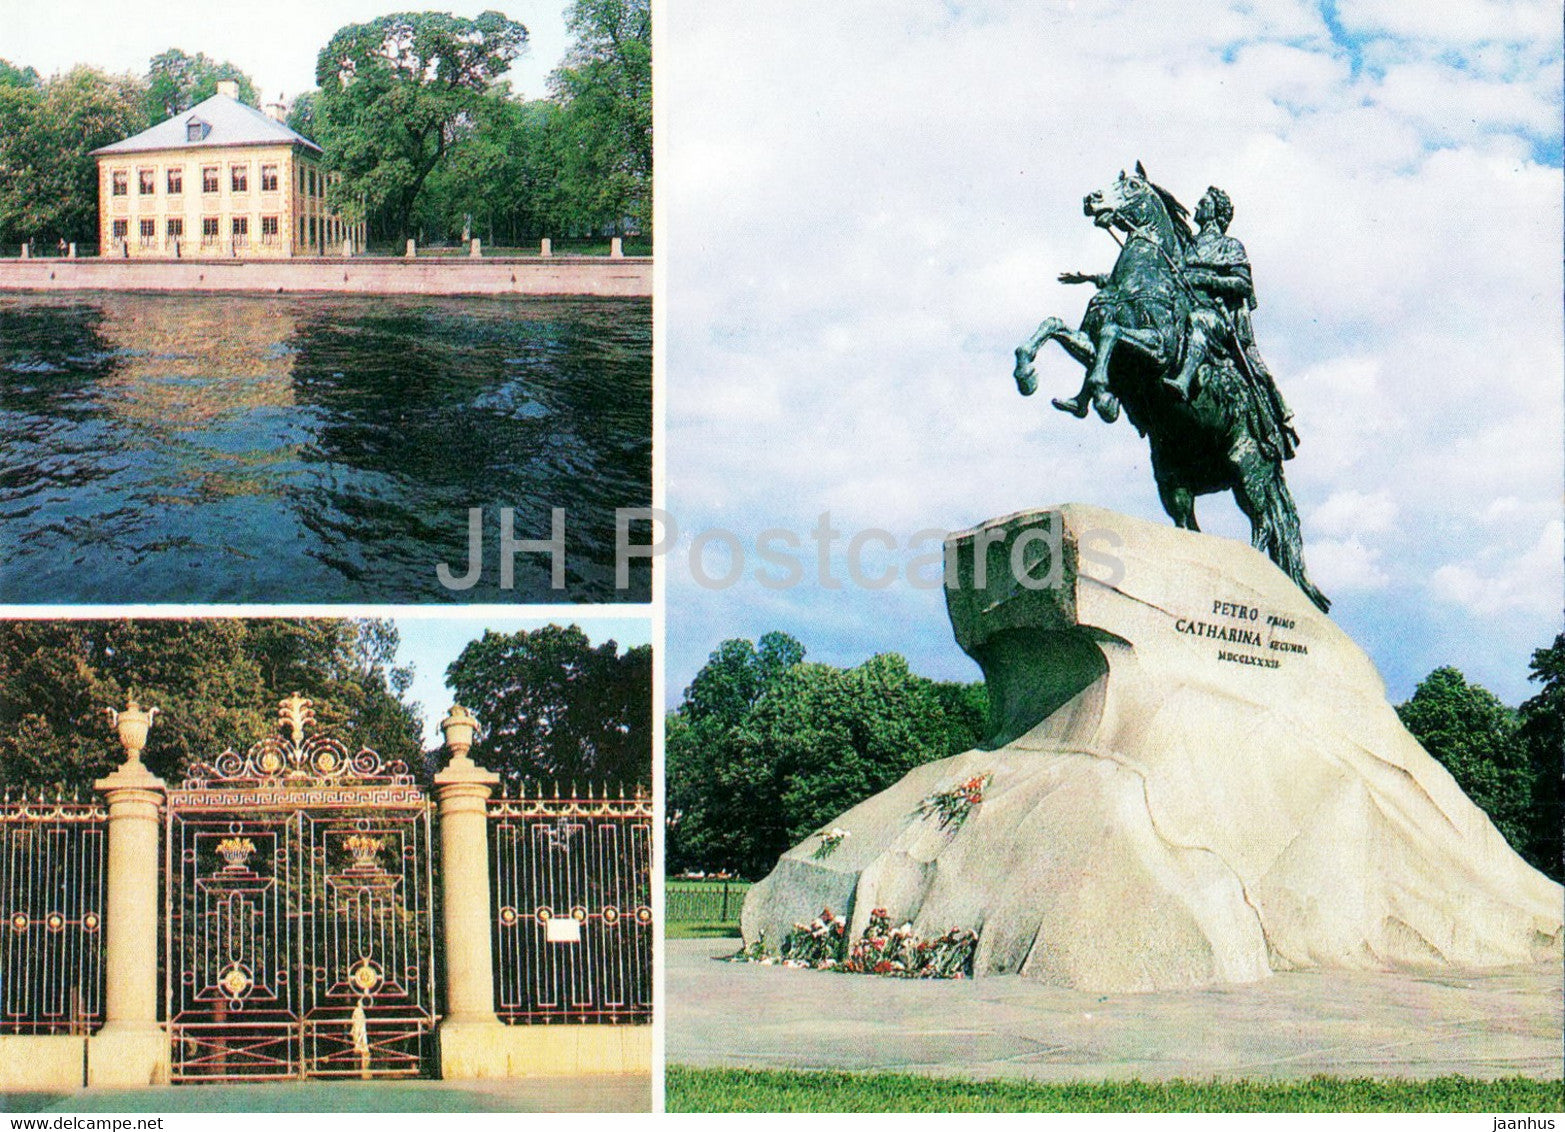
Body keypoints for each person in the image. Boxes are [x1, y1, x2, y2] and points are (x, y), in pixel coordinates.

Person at [1170, 187, 1298, 458]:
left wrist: (1206, 279)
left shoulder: (1230, 246)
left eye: (1203, 203)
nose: (1196, 206)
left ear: (1216, 212)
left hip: (1215, 317)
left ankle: (1183, 381)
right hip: (1181, 310)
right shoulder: (1185, 244)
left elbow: (1242, 283)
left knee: (1202, 322)